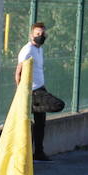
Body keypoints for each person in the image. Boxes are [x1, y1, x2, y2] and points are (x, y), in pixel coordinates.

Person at [16, 22, 54, 161]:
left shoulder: (40, 49)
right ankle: (23, 155)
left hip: (41, 89)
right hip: (31, 91)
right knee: (25, 122)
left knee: (40, 123)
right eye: (38, 34)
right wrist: (21, 91)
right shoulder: (27, 50)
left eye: (43, 34)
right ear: (31, 35)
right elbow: (18, 71)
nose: (41, 36)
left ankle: (38, 152)